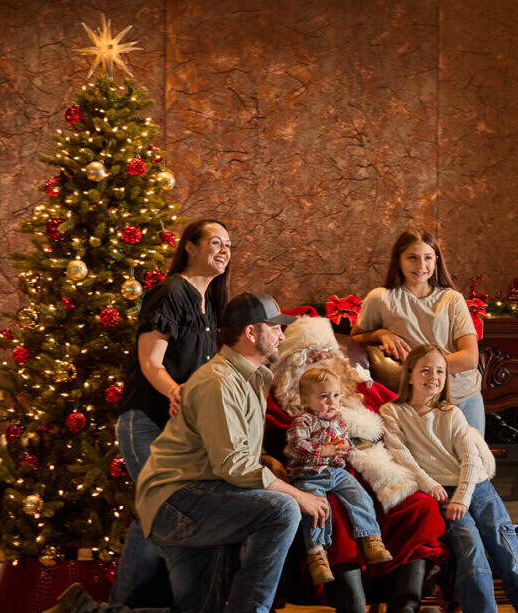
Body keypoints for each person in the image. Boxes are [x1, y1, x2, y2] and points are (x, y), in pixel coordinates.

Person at [48, 292, 326, 613]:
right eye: (274, 327)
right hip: (179, 501)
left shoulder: (254, 378)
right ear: (251, 333)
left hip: (201, 497)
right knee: (283, 509)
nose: (281, 334)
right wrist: (298, 495)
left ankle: (83, 610)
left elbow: (238, 454)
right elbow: (233, 465)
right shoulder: (219, 382)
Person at [267, 315, 447, 613]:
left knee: (421, 505)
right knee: (333, 515)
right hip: (321, 476)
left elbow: (406, 411)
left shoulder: (360, 388)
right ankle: (353, 606)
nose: (323, 363)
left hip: (380, 475)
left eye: (328, 354)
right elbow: (271, 442)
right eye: (313, 357)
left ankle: (406, 607)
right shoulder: (283, 401)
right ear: (294, 367)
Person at [380, 344, 518, 613]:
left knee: (506, 546)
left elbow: (471, 459)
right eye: (425, 370)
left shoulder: (451, 413)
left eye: (440, 371)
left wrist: (462, 497)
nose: (434, 377)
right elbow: (401, 454)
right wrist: (430, 485)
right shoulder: (393, 412)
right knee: (470, 548)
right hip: (439, 491)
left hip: (476, 485)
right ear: (411, 375)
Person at [111, 218, 231, 606]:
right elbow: (151, 362)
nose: (224, 250)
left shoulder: (209, 304)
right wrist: (176, 392)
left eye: (228, 244)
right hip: (146, 420)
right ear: (191, 248)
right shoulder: (171, 292)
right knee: (159, 510)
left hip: (180, 429)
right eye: (215, 242)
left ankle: (128, 605)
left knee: (154, 515)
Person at [352, 228, 485, 434]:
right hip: (418, 403)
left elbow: (469, 359)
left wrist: (424, 369)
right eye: (412, 258)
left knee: (474, 464)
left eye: (428, 258)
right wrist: (381, 334)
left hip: (463, 396)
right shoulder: (381, 298)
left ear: (436, 260)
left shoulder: (452, 299)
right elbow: (355, 340)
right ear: (399, 260)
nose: (421, 265)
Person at [285, 367, 393, 584]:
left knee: (360, 497)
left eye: (335, 396)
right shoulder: (303, 421)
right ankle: (317, 554)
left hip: (335, 472)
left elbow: (346, 449)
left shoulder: (339, 422)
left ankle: (371, 538)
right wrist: (321, 450)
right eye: (323, 397)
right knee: (318, 509)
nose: (331, 402)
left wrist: (344, 448)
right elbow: (295, 447)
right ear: (306, 400)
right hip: (308, 475)